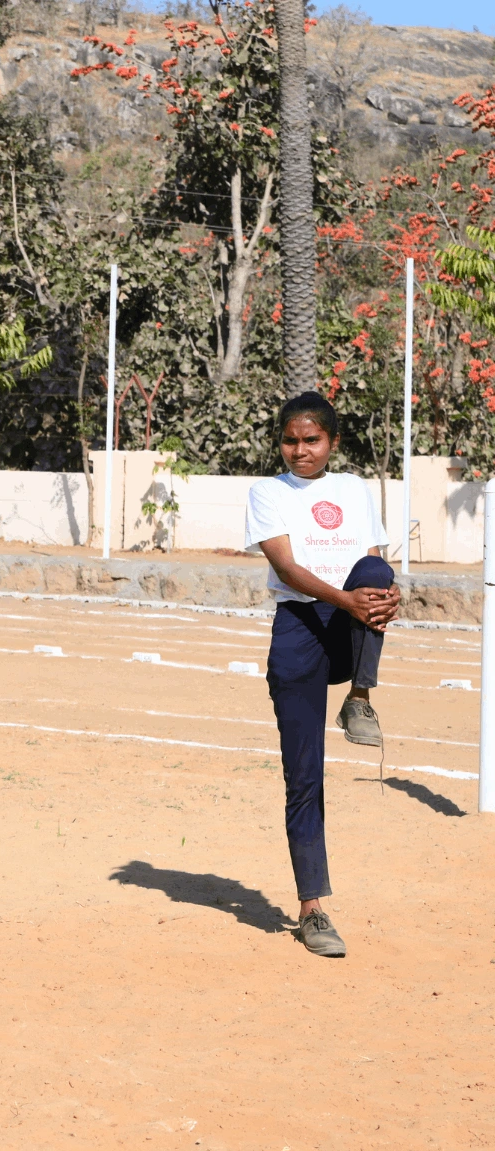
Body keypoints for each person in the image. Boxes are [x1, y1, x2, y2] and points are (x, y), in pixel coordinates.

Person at [246, 392, 399, 960]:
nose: (300, 450)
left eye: (311, 440)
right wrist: (348, 600)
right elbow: (286, 568)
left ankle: (359, 696)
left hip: (348, 624)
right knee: (304, 776)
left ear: (332, 441)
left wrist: (386, 596)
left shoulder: (353, 489)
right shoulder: (268, 492)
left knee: (378, 569)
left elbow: (372, 559)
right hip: (299, 629)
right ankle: (312, 908)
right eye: (290, 440)